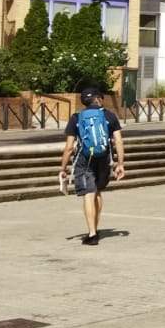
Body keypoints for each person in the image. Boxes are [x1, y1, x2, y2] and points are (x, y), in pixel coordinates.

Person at [59, 88, 126, 246]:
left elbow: (69, 147)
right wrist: (120, 164)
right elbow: (118, 141)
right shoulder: (109, 116)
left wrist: (63, 168)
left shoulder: (76, 118)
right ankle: (95, 227)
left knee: (88, 194)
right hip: (104, 158)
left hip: (84, 159)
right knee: (97, 192)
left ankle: (92, 233)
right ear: (99, 99)